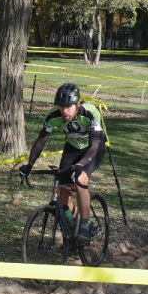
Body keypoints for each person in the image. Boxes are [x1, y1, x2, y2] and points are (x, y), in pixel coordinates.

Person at [21, 82, 107, 240]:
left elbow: (94, 146)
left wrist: (80, 165)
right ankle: (74, 228)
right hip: (72, 146)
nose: (64, 111)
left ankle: (84, 227)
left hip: (93, 147)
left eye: (68, 107)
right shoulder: (53, 116)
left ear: (78, 104)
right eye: (61, 107)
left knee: (80, 181)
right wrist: (30, 164)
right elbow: (40, 142)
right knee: (64, 191)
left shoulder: (90, 113)